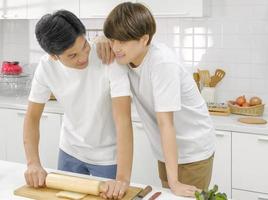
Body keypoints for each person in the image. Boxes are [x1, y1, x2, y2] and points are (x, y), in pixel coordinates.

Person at [102, 2, 216, 197]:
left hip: (192, 149)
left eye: (122, 41)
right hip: (166, 151)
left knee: (181, 194)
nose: (115, 47)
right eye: (112, 40)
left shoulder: (162, 63)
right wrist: (101, 40)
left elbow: (166, 124)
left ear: (144, 39)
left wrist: (174, 182)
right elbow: (123, 119)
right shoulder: (123, 59)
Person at [23, 10, 133, 199]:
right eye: (72, 56)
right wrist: (33, 163)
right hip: (69, 151)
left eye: (84, 46)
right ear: (53, 56)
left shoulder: (108, 59)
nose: (83, 57)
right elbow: (32, 117)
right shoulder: (46, 67)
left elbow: (123, 120)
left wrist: (122, 179)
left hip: (108, 156)